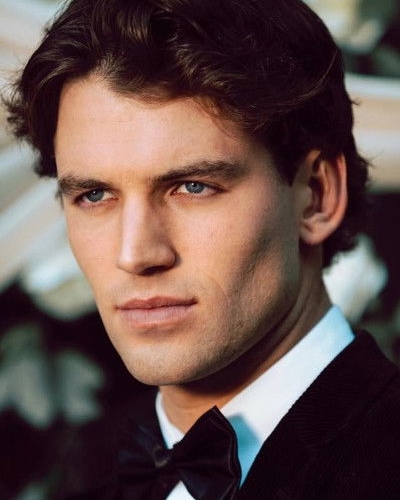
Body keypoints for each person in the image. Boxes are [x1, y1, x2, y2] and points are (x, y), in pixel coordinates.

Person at [5, 0, 400, 498]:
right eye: (95, 195)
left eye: (193, 187)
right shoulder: (86, 469)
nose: (135, 254)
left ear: (316, 196)